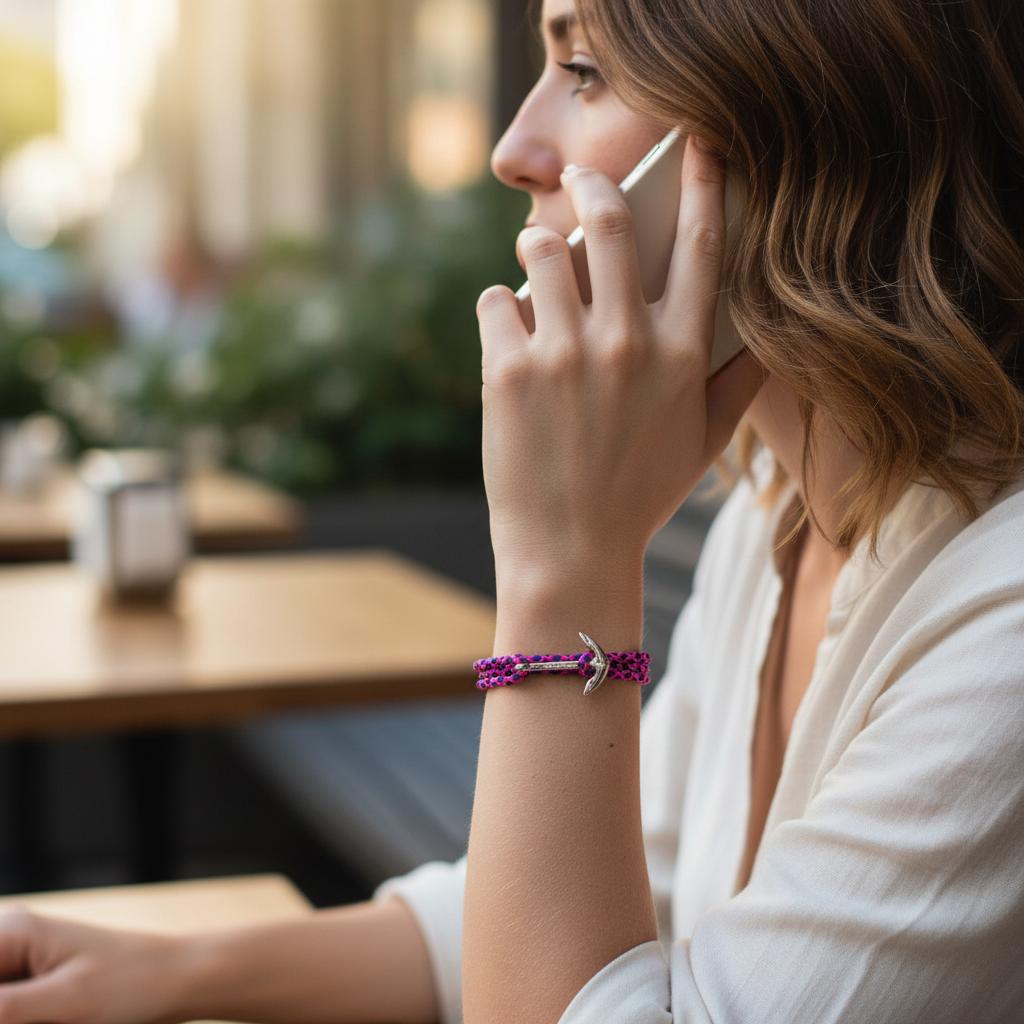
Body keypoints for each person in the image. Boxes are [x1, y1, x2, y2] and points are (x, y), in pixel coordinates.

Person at [2, 0, 1022, 1021]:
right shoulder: (773, 524)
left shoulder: (998, 633)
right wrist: (169, 972)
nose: (510, 147)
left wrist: (563, 563)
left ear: (793, 129)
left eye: (582, 71)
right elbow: (572, 914)